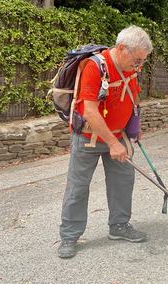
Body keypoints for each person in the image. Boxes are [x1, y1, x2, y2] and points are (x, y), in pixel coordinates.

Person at [58, 26, 153, 259]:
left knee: (123, 182)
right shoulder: (94, 67)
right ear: (122, 49)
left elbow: (133, 95)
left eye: (142, 61)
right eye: (137, 60)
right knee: (78, 187)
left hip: (119, 135)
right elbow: (89, 111)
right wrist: (112, 143)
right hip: (89, 137)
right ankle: (70, 236)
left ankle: (119, 226)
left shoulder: (130, 68)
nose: (139, 66)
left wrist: (134, 126)